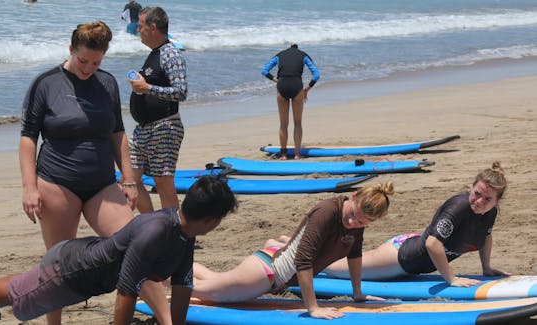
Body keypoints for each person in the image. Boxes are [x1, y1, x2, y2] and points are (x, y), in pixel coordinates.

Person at [19, 21, 140, 324]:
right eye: (83, 60)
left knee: (136, 250)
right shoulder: (45, 84)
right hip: (57, 185)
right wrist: (29, 187)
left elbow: (117, 133)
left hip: (102, 185)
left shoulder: (107, 83)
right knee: (57, 265)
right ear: (71, 49)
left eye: (96, 62)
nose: (88, 67)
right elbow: (28, 138)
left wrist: (128, 180)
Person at [0, 176, 238, 325]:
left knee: (20, 289)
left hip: (89, 276)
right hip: (72, 270)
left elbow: (183, 285)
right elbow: (127, 291)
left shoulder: (185, 234)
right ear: (210, 219)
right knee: (19, 296)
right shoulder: (155, 231)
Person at [192, 182, 393, 320]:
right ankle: (162, 276)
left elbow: (355, 255)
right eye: (353, 215)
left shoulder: (357, 224)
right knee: (207, 293)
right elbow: (303, 260)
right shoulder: (327, 211)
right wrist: (313, 308)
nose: (353, 223)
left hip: (271, 265)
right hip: (267, 272)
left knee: (213, 280)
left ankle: (182, 268)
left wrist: (358, 293)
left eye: (361, 222)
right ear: (354, 196)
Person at [324, 162, 511, 287]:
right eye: (477, 193)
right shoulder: (459, 207)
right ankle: (300, 249)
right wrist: (451, 279)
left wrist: (486, 267)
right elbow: (432, 243)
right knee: (331, 268)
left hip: (414, 252)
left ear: (497, 202)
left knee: (336, 262)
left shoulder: (490, 213)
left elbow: (485, 236)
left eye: (487, 199)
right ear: (472, 187)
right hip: (400, 258)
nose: (479, 201)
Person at [128, 6, 188, 214]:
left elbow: (181, 92)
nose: (138, 31)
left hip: (165, 126)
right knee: (130, 179)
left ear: (153, 27)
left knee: (163, 183)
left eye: (141, 26)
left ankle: (173, 233)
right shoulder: (155, 54)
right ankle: (152, 226)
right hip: (144, 128)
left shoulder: (171, 53)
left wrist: (147, 88)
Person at [261, 44, 320, 160]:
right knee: (297, 123)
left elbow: (264, 71)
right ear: (297, 48)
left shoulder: (279, 55)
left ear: (289, 47)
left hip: (282, 86)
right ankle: (297, 154)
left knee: (283, 124)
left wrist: (277, 80)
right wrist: (307, 89)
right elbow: (316, 75)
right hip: (297, 86)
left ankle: (283, 154)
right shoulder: (304, 55)